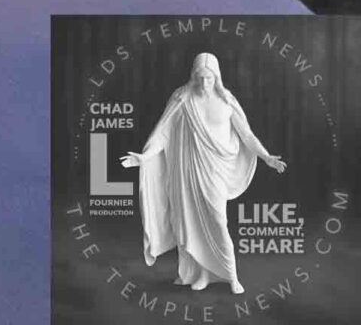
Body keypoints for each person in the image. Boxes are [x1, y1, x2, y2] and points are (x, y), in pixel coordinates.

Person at [121, 51, 285, 297]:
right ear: (193, 76)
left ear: (216, 77)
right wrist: (144, 157)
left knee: (218, 222)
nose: (204, 83)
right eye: (199, 77)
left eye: (209, 78)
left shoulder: (227, 101)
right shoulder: (182, 99)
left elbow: (247, 135)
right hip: (187, 173)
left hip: (215, 172)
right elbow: (162, 133)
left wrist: (267, 156)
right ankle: (201, 274)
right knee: (190, 223)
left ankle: (231, 276)